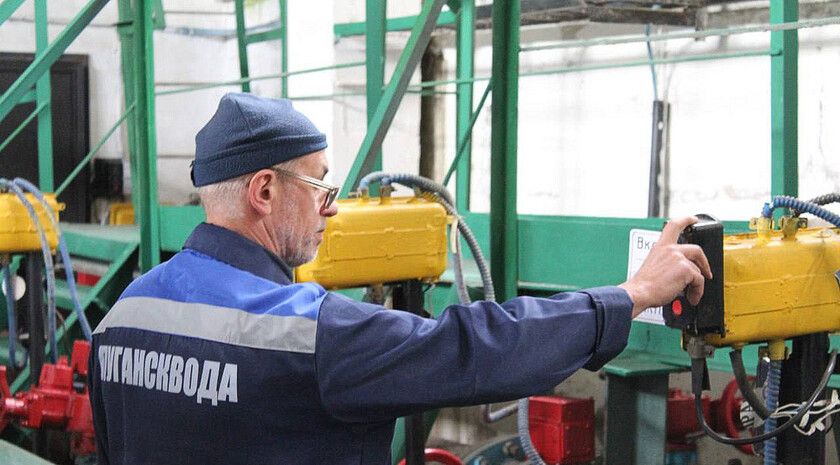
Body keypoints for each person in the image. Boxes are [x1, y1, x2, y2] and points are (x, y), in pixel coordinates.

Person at [89, 93, 711, 465]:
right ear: (265, 191)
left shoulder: (122, 317)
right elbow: (473, 346)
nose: (332, 207)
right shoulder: (305, 333)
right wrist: (630, 296)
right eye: (320, 184)